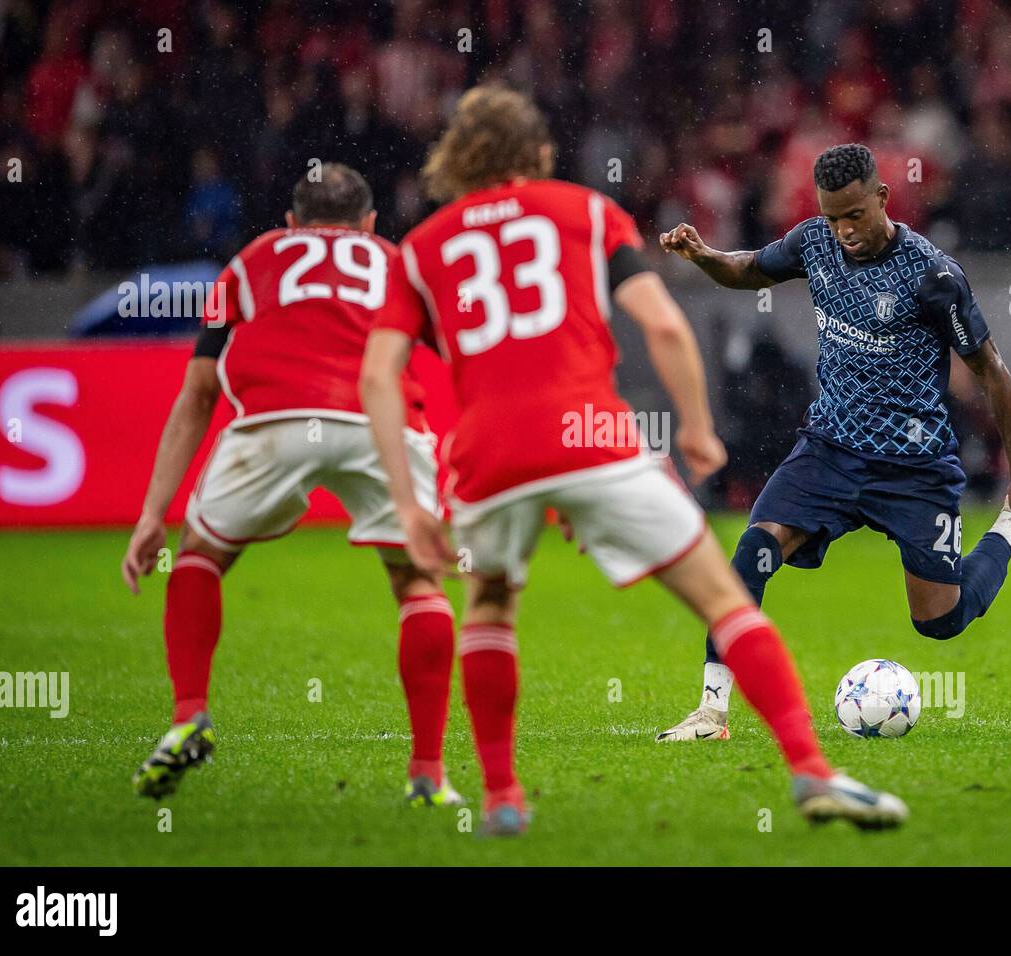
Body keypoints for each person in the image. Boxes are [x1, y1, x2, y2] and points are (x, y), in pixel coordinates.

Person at [358, 85, 907, 836]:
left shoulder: (421, 248)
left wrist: (407, 501)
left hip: (486, 453)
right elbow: (663, 322)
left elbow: (377, 375)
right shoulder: (584, 212)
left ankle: (501, 798)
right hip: (590, 435)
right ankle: (812, 772)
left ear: (456, 156)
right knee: (722, 597)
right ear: (538, 150)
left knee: (489, 606)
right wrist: (697, 428)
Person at [656, 144, 1011, 743]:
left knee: (940, 621)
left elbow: (991, 370)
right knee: (751, 552)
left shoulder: (932, 277)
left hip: (915, 467)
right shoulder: (815, 243)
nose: (844, 230)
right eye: (832, 216)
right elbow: (749, 269)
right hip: (828, 449)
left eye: (854, 214)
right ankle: (712, 713)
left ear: (883, 198)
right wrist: (704, 256)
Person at [121, 163, 461, 807]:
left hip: (275, 418)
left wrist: (150, 515)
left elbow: (198, 392)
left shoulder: (252, 261)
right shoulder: (397, 261)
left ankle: (189, 714)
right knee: (417, 583)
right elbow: (458, 358)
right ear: (368, 223)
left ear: (290, 224)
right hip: (377, 418)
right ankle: (428, 775)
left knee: (200, 552)